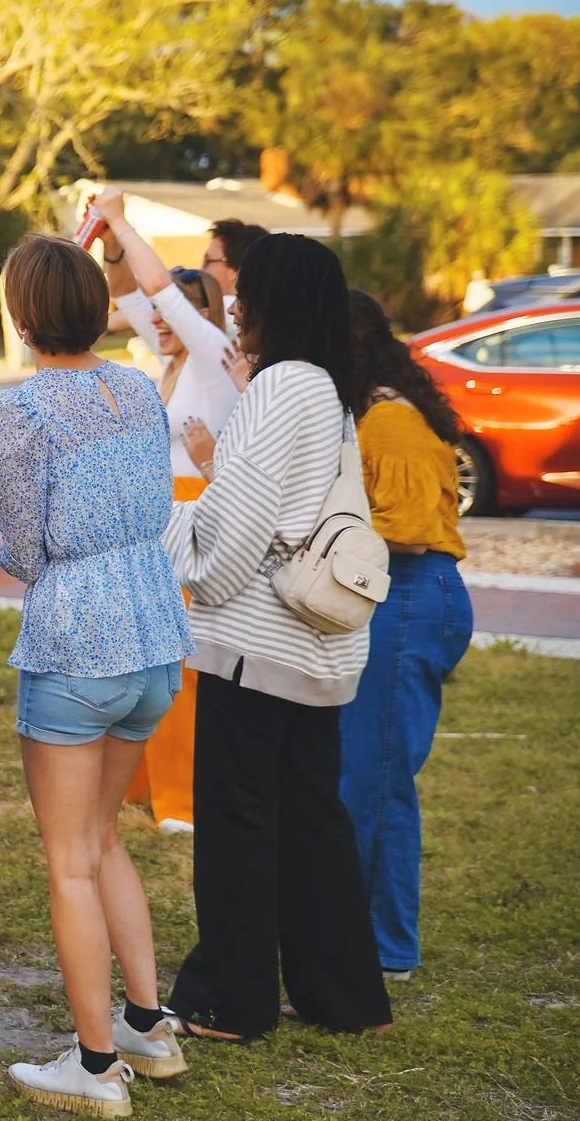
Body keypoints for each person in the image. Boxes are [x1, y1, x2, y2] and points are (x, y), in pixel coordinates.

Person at [0, 235, 195, 1116]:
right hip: (152, 633)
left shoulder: (18, 412)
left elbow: (28, 554)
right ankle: (148, 1025)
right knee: (103, 841)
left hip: (76, 640)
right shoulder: (136, 386)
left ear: (22, 316)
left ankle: (97, 1067)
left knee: (69, 862)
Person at [161, 233, 392, 1041]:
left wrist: (162, 525)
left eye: (245, 290)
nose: (234, 303)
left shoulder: (277, 387)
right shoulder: (326, 387)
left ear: (274, 300)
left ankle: (234, 998)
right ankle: (346, 998)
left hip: (257, 646)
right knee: (312, 822)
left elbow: (232, 534)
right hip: (316, 648)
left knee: (238, 825)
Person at [92, 190, 245, 837]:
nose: (160, 319)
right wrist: (107, 236)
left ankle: (183, 798)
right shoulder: (169, 366)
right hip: (158, 524)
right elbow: (129, 290)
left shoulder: (212, 359)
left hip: (198, 520)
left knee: (183, 662)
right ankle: (146, 784)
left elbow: (159, 294)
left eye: (178, 309)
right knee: (153, 659)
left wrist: (128, 219)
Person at [340, 289, 474, 982]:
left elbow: (410, 531)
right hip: (398, 596)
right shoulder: (379, 409)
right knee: (364, 774)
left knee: (377, 779)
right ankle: (366, 934)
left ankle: (386, 947)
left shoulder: (389, 419)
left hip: (411, 596)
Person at [199, 218, 267, 334]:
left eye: (208, 261)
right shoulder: (266, 315)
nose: (201, 269)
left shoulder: (215, 315)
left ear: (235, 271)